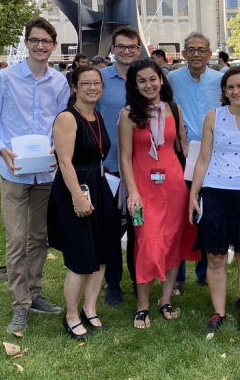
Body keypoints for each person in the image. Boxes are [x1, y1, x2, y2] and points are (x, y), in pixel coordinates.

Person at [0, 17, 69, 333]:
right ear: (26, 43)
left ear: (53, 46)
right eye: (35, 40)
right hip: (13, 172)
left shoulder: (59, 82)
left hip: (45, 173)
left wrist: (57, 148)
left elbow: (61, 123)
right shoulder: (4, 79)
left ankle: (34, 292)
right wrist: (1, 149)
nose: (41, 46)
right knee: (16, 238)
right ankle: (20, 304)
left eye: (47, 41)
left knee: (39, 236)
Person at [189, 66, 240, 334]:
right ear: (224, 91)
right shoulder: (213, 117)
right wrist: (194, 194)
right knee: (215, 257)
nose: (236, 91)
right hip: (215, 191)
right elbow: (203, 159)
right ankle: (218, 311)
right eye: (230, 87)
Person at [118, 58, 198, 329]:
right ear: (135, 85)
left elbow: (184, 147)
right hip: (143, 185)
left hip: (174, 183)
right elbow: (125, 158)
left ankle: (165, 300)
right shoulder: (128, 115)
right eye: (142, 80)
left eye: (152, 79)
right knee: (146, 241)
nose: (149, 84)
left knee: (174, 240)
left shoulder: (173, 109)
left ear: (161, 80)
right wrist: (132, 192)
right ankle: (142, 306)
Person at [48, 65, 119, 341]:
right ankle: (72, 315)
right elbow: (64, 162)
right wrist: (78, 197)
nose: (92, 87)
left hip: (98, 188)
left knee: (101, 254)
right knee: (80, 258)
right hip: (74, 190)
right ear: (74, 87)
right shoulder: (68, 118)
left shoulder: (97, 116)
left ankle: (90, 308)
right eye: (86, 83)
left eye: (97, 83)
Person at [166, 32, 222, 291]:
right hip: (182, 152)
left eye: (201, 50)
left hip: (213, 152)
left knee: (207, 210)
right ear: (184, 54)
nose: (196, 54)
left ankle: (204, 270)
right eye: (191, 49)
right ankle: (177, 276)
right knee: (181, 210)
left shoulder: (221, 80)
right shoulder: (173, 79)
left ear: (209, 54)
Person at [96, 26, 142, 305]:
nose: (127, 51)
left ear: (139, 50)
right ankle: (113, 282)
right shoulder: (98, 79)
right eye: (121, 46)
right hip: (109, 169)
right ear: (112, 49)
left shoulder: (146, 79)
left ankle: (140, 279)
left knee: (138, 227)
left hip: (141, 170)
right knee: (111, 229)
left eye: (132, 47)